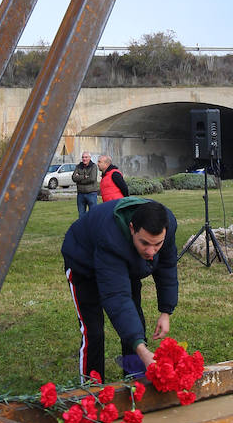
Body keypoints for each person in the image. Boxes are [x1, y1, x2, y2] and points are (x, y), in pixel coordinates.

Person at [61, 197, 178, 382]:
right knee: (94, 332)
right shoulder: (110, 237)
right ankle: (92, 389)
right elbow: (117, 297)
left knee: (135, 321)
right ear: (132, 228)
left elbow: (167, 266)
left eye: (157, 244)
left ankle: (135, 380)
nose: (151, 251)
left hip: (123, 262)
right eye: (145, 243)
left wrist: (166, 311)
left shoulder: (168, 224)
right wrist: (142, 349)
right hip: (83, 263)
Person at [72, 151, 98, 216]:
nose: (84, 159)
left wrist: (79, 179)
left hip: (91, 193)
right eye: (83, 157)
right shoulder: (78, 166)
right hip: (80, 194)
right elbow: (74, 178)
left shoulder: (93, 166)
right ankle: (83, 226)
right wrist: (84, 177)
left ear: (90, 158)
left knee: (93, 214)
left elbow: (92, 179)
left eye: (86, 157)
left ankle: (92, 226)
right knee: (81, 215)